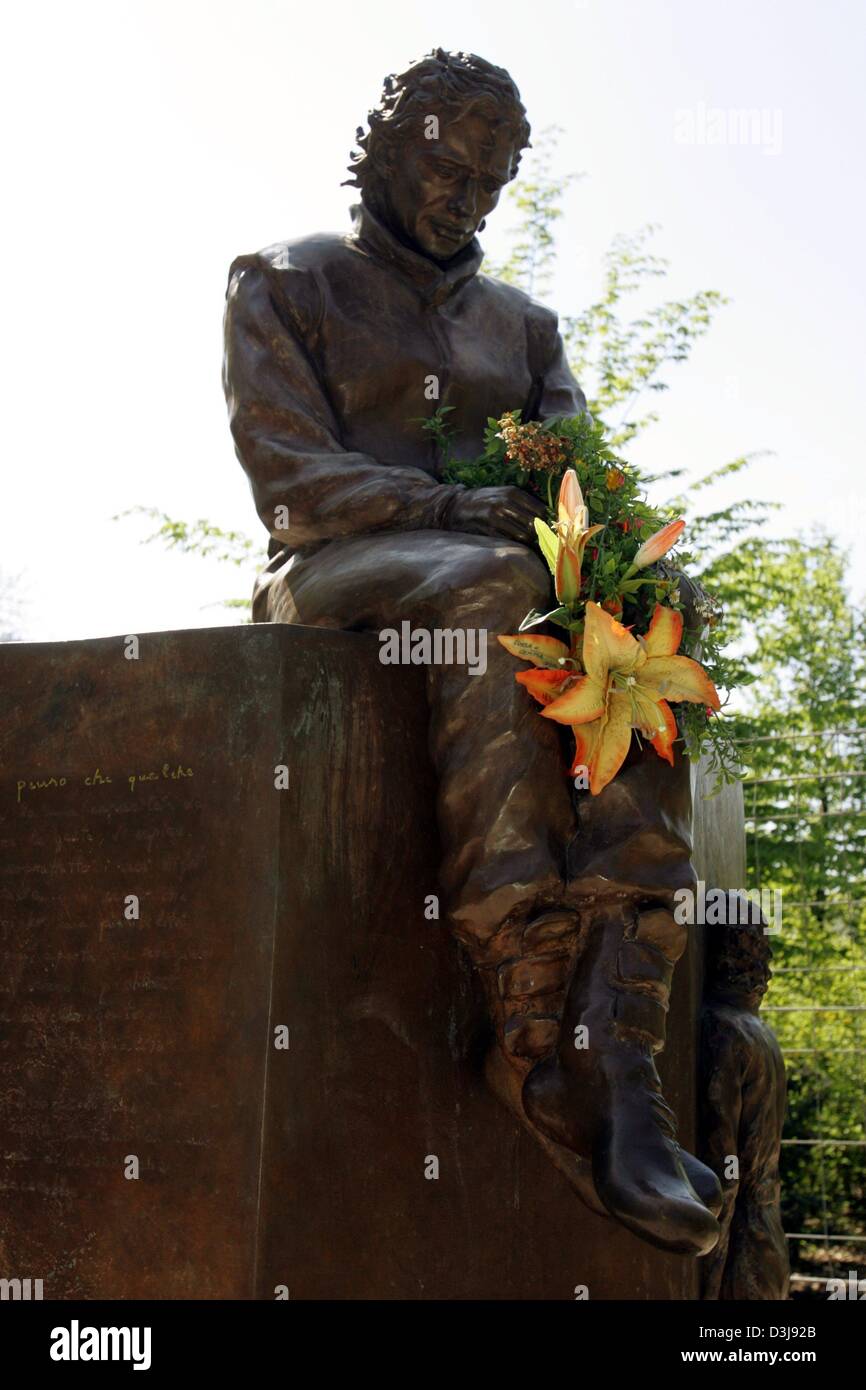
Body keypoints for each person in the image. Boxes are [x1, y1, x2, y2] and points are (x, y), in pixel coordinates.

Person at [223, 47, 721, 1254]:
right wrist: (450, 509)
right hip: (337, 568)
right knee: (498, 579)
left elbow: (580, 490)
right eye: (450, 169)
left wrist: (613, 554)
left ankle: (620, 1034)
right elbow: (289, 484)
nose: (466, 201)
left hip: (493, 567)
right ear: (388, 142)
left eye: (490, 186)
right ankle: (534, 1027)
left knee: (653, 604)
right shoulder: (285, 281)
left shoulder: (525, 327)